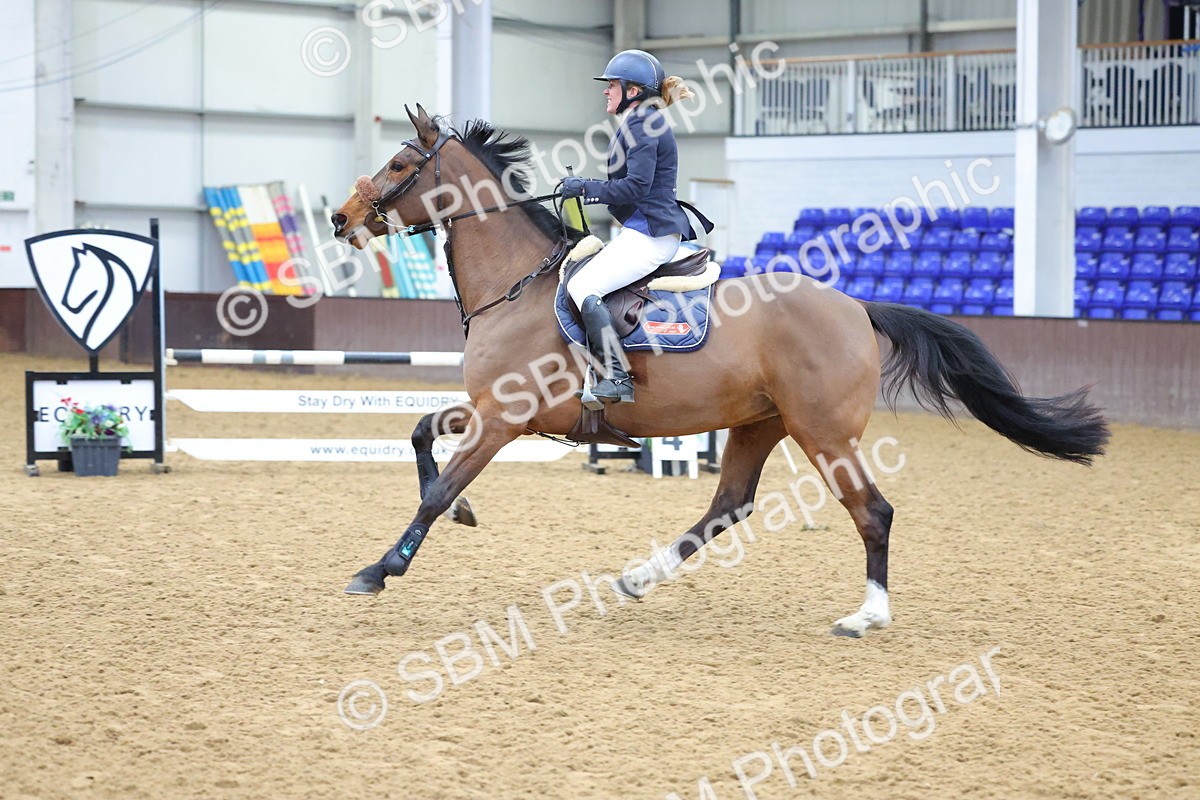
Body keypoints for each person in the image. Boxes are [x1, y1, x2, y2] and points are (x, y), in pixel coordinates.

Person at [560, 49, 698, 406]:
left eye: (612, 85)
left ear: (632, 91)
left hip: (651, 235)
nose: (606, 91)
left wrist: (586, 187)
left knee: (583, 285)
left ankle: (618, 379)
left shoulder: (642, 124)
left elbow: (636, 186)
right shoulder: (640, 121)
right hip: (644, 230)